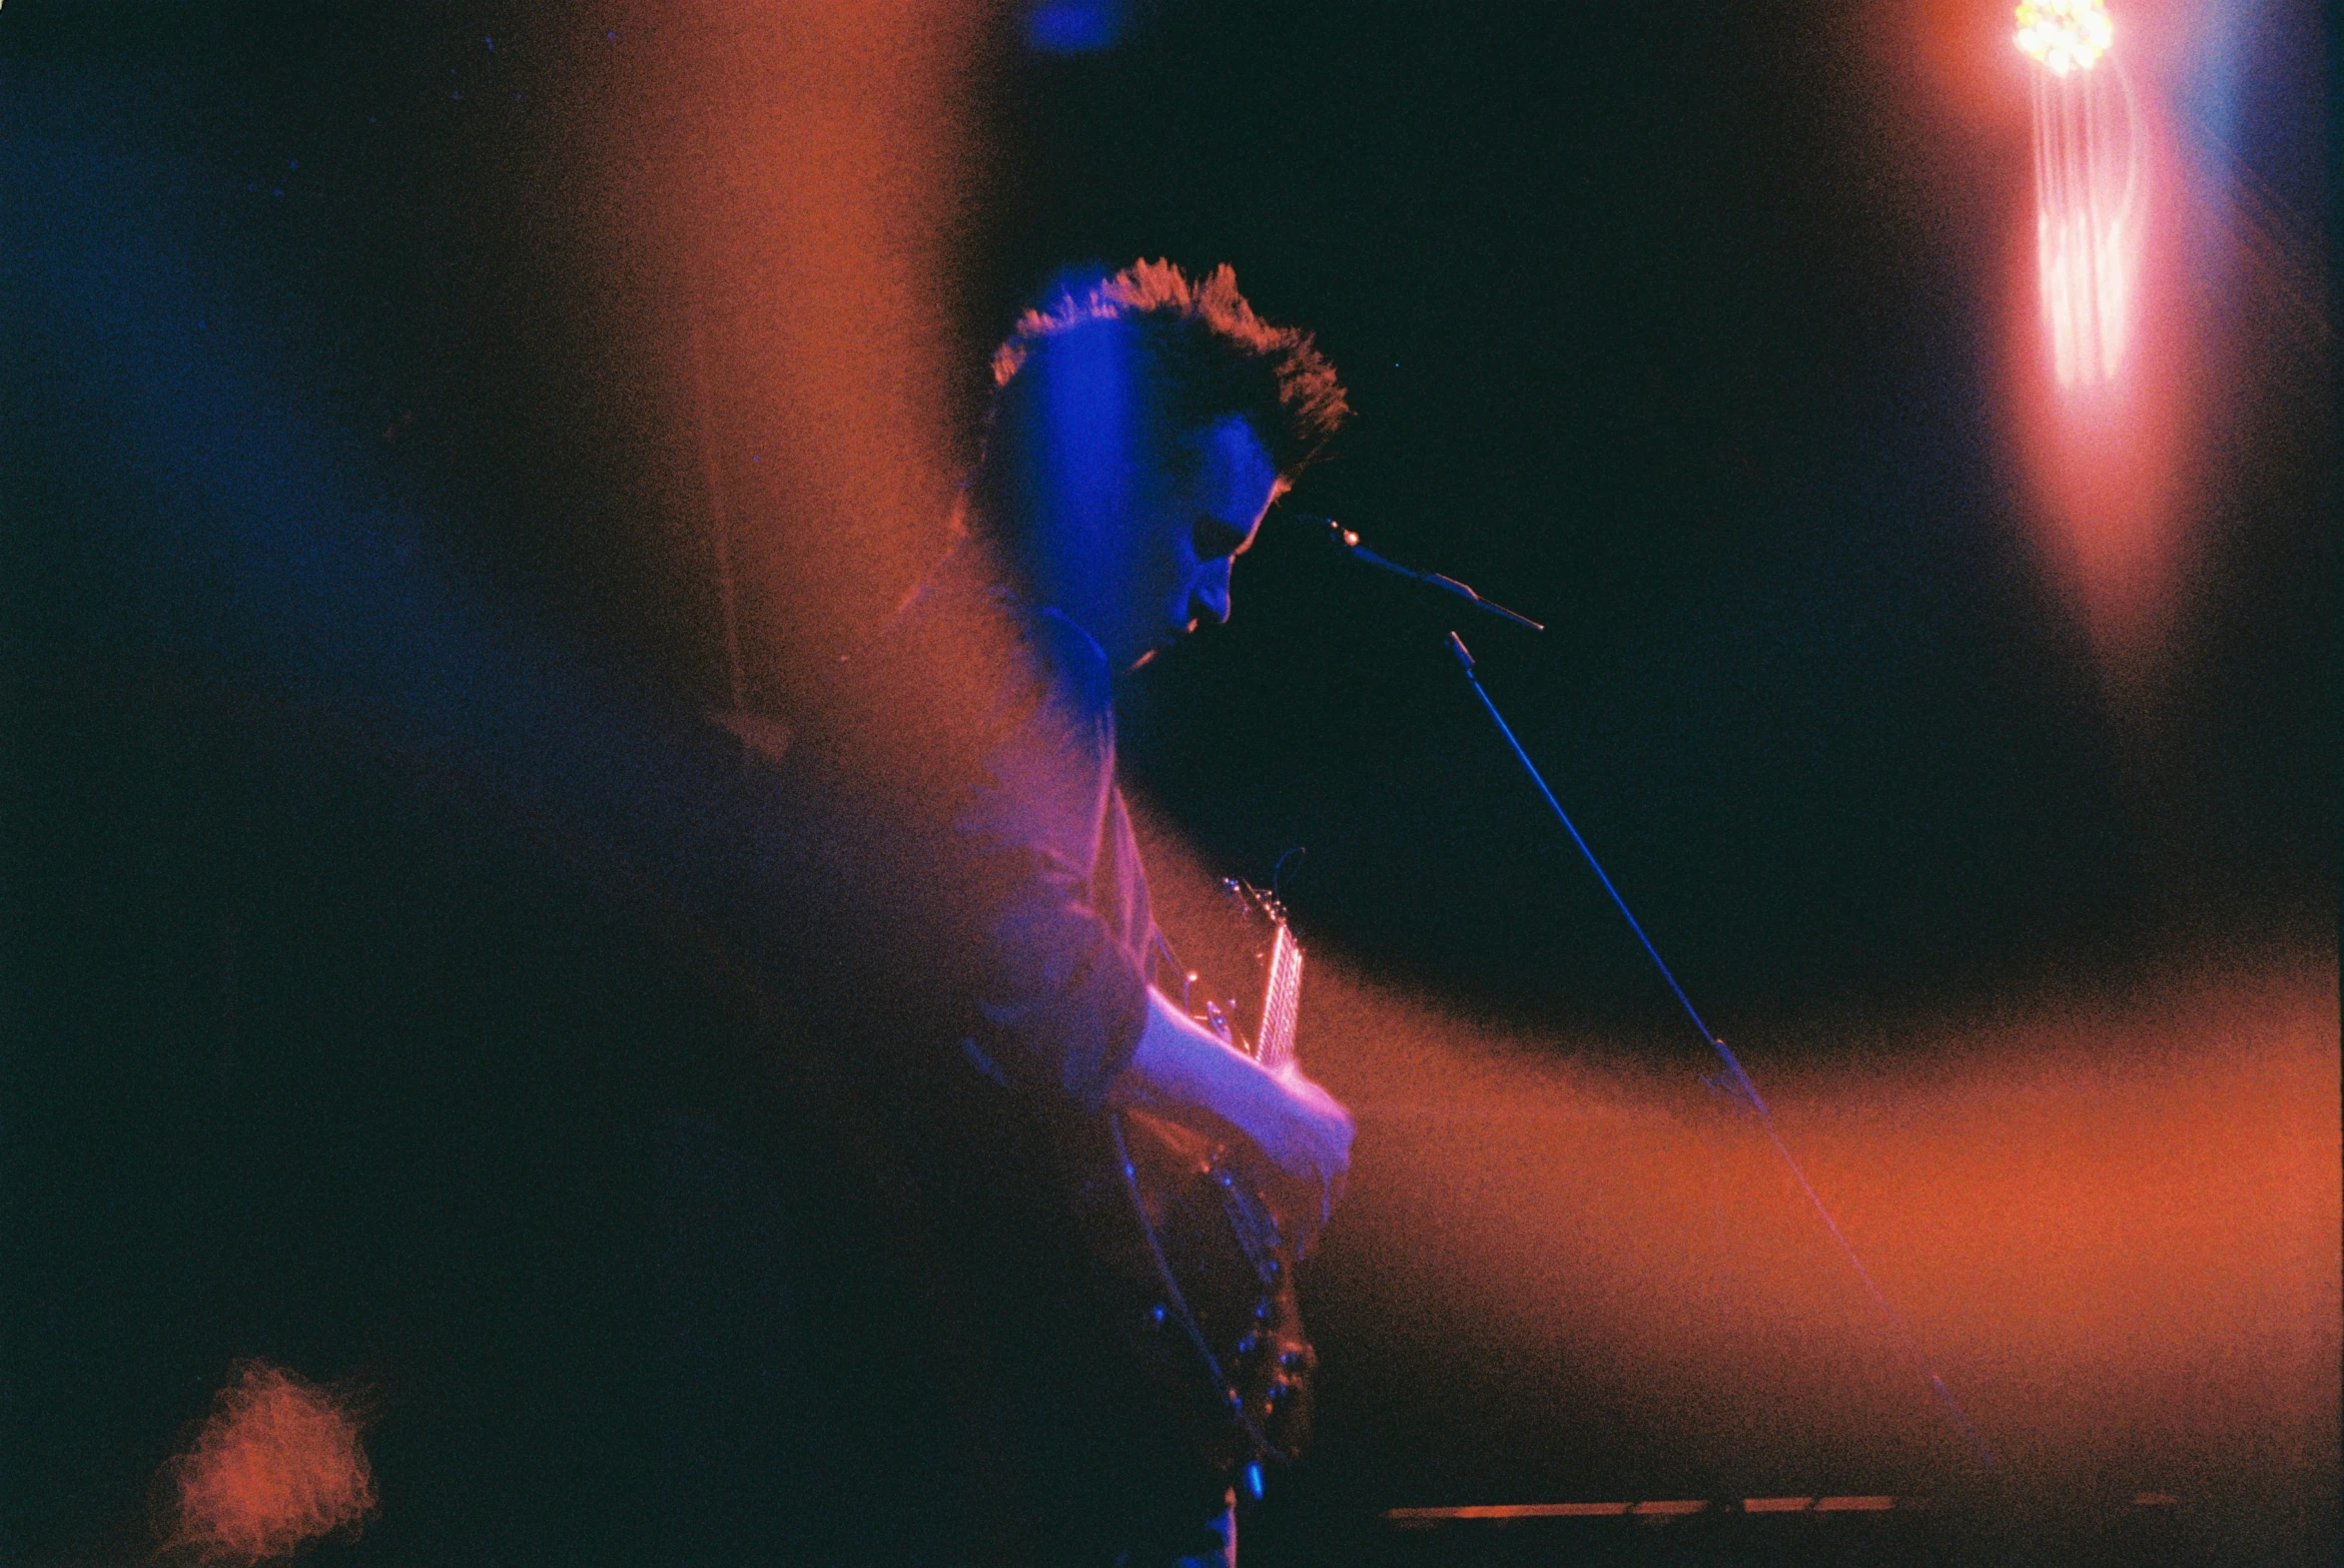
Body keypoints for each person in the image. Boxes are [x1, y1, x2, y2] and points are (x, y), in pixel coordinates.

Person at [780, 261, 1356, 1568]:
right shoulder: (1036, 652)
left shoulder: (923, 669)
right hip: (1026, 1426)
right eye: (1209, 543)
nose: (1214, 602)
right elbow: (1016, 949)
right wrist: (1263, 1110)